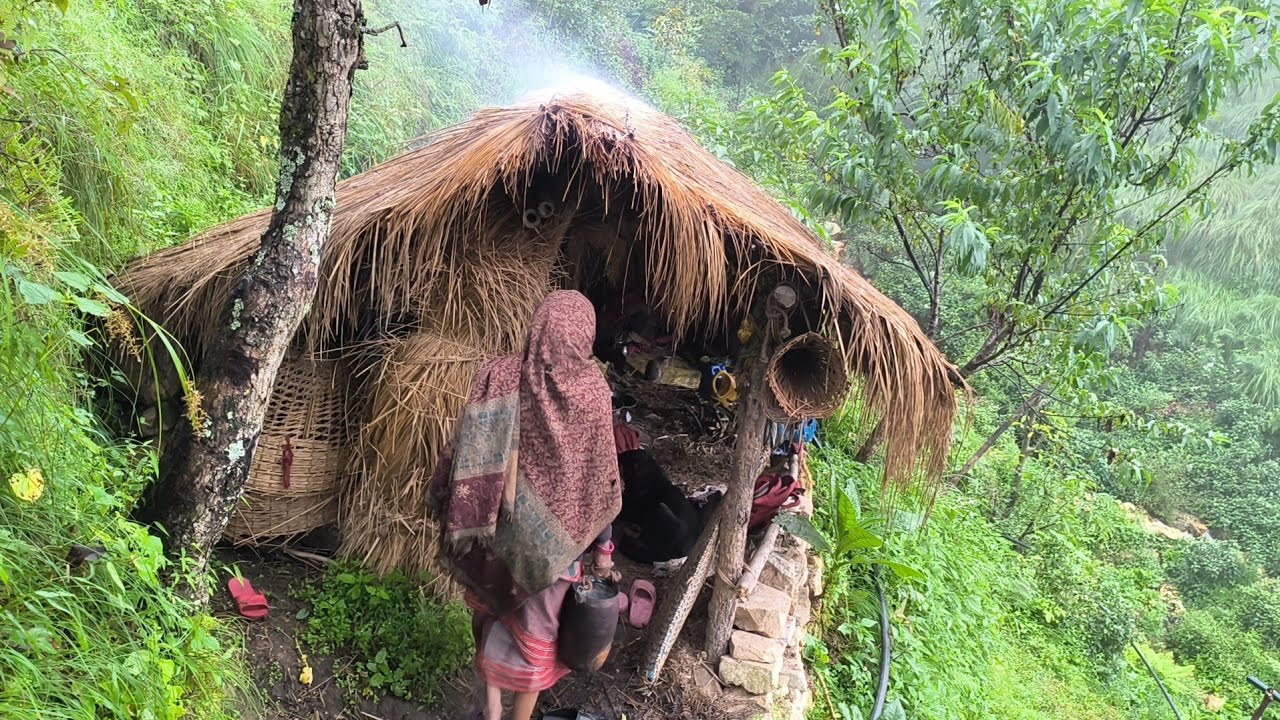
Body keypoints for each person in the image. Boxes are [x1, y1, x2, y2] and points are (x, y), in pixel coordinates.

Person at [428, 290, 622, 720]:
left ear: (538, 327)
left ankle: (492, 710)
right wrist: (604, 553)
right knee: (537, 638)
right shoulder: (593, 392)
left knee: (494, 617)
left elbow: (468, 450)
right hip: (555, 551)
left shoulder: (500, 373)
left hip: (498, 530)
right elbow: (601, 477)